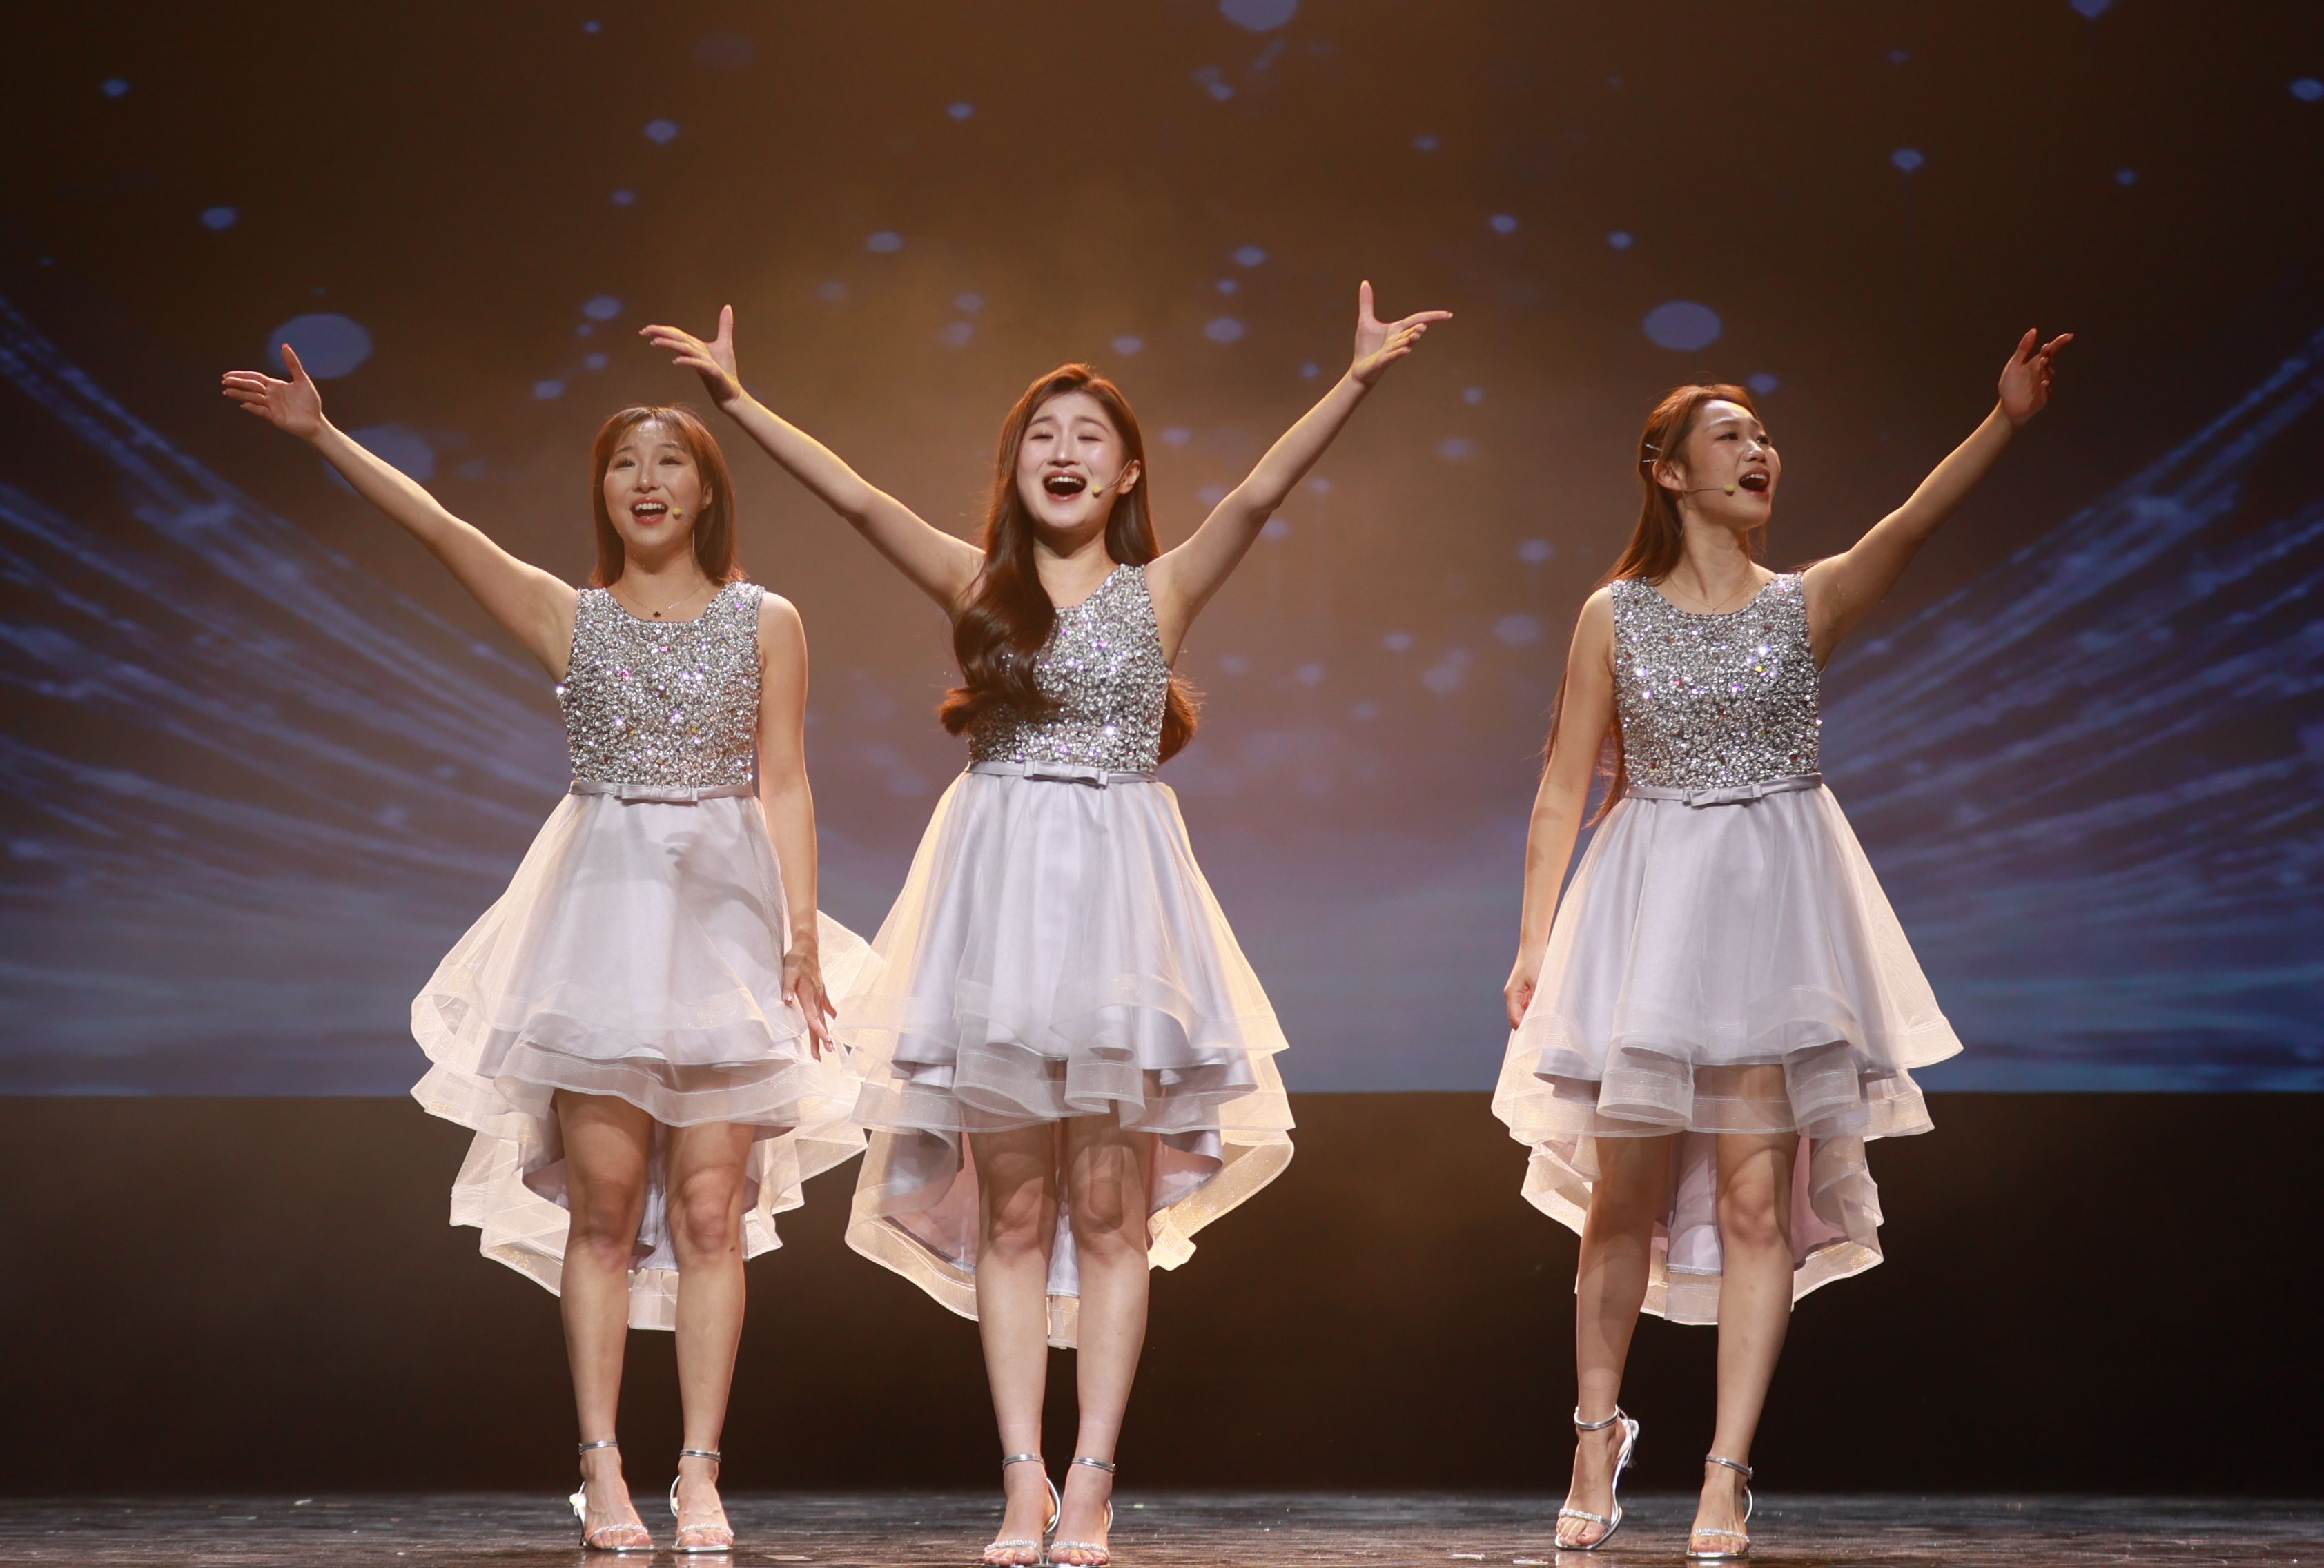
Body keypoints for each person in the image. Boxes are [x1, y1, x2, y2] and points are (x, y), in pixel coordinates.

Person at [643, 284, 1447, 1565]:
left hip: (1123, 911)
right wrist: (739, 403)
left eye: (1088, 436)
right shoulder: (978, 585)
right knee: (1013, 1214)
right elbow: (856, 501)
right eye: (1041, 434)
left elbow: (1259, 497)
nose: (1062, 452)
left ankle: (1091, 1483)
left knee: (1112, 1211)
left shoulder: (1161, 589)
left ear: (1126, 473)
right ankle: (1021, 1483)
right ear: (1014, 466)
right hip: (998, 909)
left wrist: (1353, 381)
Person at [221, 351, 872, 1554]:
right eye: (625, 463)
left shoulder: (767, 620)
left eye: (670, 461)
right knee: (605, 1208)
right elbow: (439, 528)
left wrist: (799, 937)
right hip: (601, 930)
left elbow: (786, 782)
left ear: (707, 490)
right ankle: (602, 1465)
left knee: (714, 1210)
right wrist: (323, 436)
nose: (647, 480)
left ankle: (701, 1473)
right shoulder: (572, 616)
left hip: (726, 933)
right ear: (604, 492)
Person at [1494, 331, 2071, 1559]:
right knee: (1622, 1198)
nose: (1760, 451)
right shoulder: (1614, 614)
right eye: (1730, 436)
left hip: (1769, 927)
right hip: (1648, 916)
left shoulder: (1801, 604)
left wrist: (2005, 422)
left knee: (1760, 1200)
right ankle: (1596, 1436)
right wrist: (1534, 945)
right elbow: (1560, 791)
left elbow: (1909, 526)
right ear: (1668, 471)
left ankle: (1725, 1473)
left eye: (1764, 436)